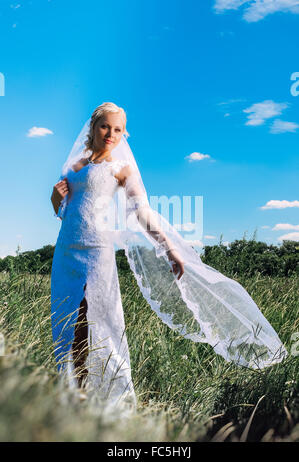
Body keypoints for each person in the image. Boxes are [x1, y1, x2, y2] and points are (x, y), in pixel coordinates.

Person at [50, 102, 287, 413]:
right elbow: (64, 212)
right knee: (69, 325)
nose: (110, 133)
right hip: (66, 252)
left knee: (101, 323)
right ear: (93, 127)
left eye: (118, 128)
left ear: (124, 133)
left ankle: (112, 402)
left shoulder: (123, 169)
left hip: (97, 252)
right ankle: (73, 396)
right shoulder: (75, 166)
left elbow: (141, 212)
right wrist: (55, 198)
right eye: (105, 126)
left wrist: (169, 247)